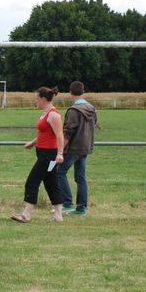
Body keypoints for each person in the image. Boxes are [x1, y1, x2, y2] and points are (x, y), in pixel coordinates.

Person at [11, 87, 65, 223]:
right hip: (43, 152)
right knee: (51, 183)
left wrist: (60, 154)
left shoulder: (53, 115)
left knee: (32, 181)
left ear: (43, 99)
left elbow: (59, 135)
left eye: (36, 99)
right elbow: (44, 133)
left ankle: (26, 214)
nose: (35, 101)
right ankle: (58, 215)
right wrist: (33, 142)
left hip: (48, 155)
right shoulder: (45, 113)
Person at [56, 80, 97, 215]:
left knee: (59, 172)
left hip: (73, 148)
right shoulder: (91, 108)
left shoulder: (73, 111)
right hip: (86, 147)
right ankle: (81, 208)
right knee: (80, 177)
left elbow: (67, 133)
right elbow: (94, 125)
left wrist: (60, 151)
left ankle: (67, 203)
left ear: (70, 93)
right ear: (83, 91)